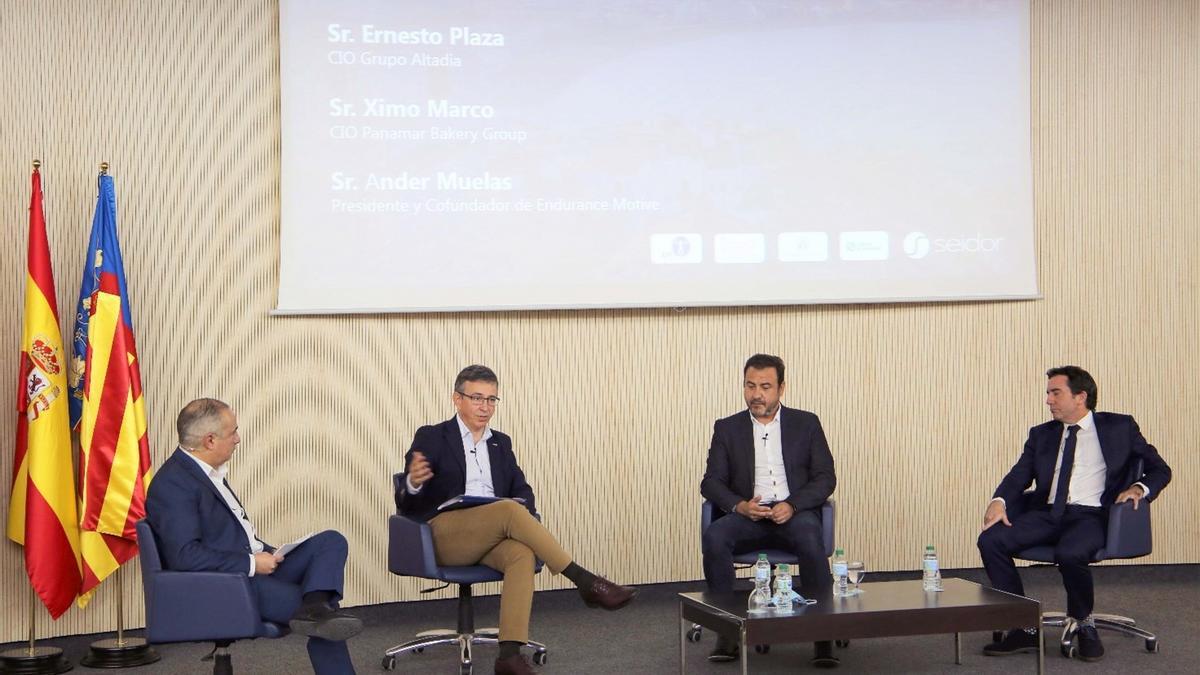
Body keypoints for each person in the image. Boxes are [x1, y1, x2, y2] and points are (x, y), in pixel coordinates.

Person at [399, 365, 637, 675]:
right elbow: (405, 501)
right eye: (477, 398)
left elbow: (523, 492)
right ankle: (586, 581)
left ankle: (508, 657)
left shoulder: (501, 443)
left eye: (492, 399)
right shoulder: (433, 436)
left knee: (521, 553)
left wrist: (518, 503)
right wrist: (413, 482)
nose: (485, 407)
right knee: (508, 510)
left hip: (491, 534)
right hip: (445, 536)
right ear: (457, 399)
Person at [145, 399, 362, 674]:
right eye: (232, 432)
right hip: (230, 585)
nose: (238, 439)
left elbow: (229, 535)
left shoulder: (206, 472)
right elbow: (185, 556)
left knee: (331, 541)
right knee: (329, 619)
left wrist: (268, 555)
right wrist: (251, 563)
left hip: (256, 567)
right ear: (209, 441)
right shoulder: (173, 484)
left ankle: (314, 605)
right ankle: (316, 608)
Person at [978, 366, 1171, 662]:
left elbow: (1160, 469)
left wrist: (1138, 488)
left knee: (1070, 552)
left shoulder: (1119, 427)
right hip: (1047, 514)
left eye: (1055, 393)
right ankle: (1023, 626)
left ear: (1080, 396)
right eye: (1048, 393)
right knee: (991, 540)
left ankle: (1084, 623)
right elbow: (1019, 475)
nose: (1048, 400)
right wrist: (999, 500)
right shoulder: (1041, 434)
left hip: (1091, 516)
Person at [700, 354, 839, 668]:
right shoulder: (727, 428)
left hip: (793, 512)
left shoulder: (806, 423)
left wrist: (792, 504)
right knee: (716, 536)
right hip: (750, 514)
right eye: (750, 386)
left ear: (781, 389)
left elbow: (825, 477)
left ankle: (824, 634)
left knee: (808, 534)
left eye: (765, 386)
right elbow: (711, 482)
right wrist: (740, 506)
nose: (756, 394)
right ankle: (728, 632)